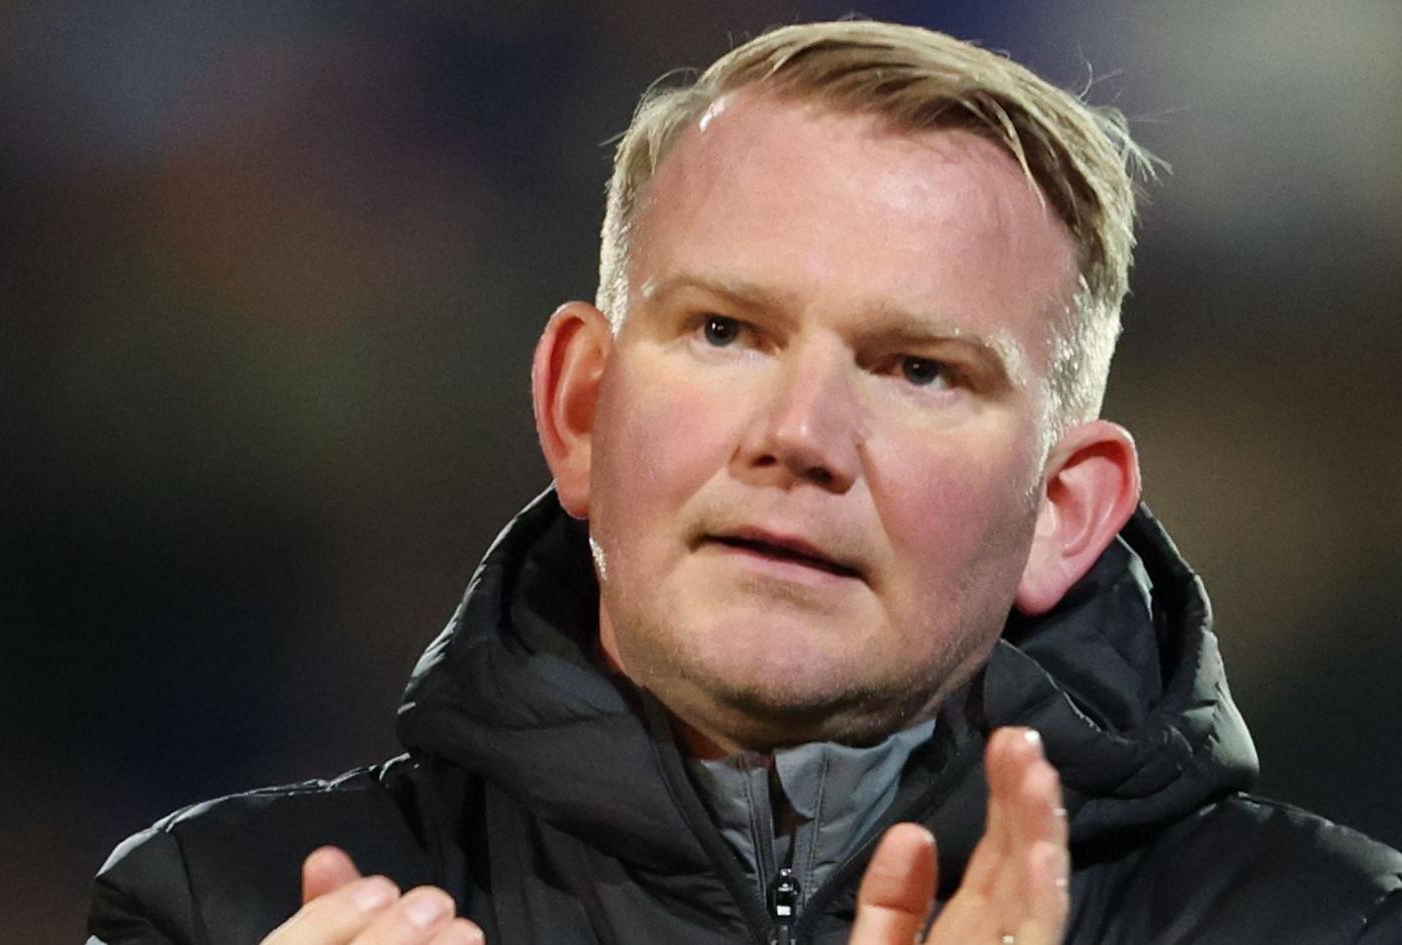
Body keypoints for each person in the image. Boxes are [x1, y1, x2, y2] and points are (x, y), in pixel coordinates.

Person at [87, 20, 1402, 945]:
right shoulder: (219, 909)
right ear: (582, 407)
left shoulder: (1324, 925)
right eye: (726, 333)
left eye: (918, 368)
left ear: (1064, 512)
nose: (802, 432)